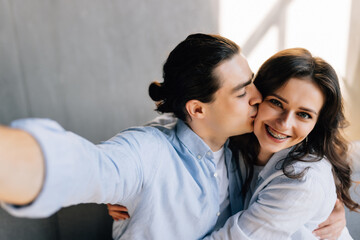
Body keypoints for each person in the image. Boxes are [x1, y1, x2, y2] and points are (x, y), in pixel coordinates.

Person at [0, 34, 345, 239]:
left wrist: (326, 203)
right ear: (197, 109)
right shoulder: (149, 153)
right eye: (243, 93)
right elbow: (92, 166)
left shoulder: (242, 145)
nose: (257, 97)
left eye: (252, 82)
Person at [202, 48, 359, 239]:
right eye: (276, 103)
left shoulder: (304, 180)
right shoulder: (236, 140)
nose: (284, 123)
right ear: (257, 96)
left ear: (316, 124)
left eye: (303, 115)